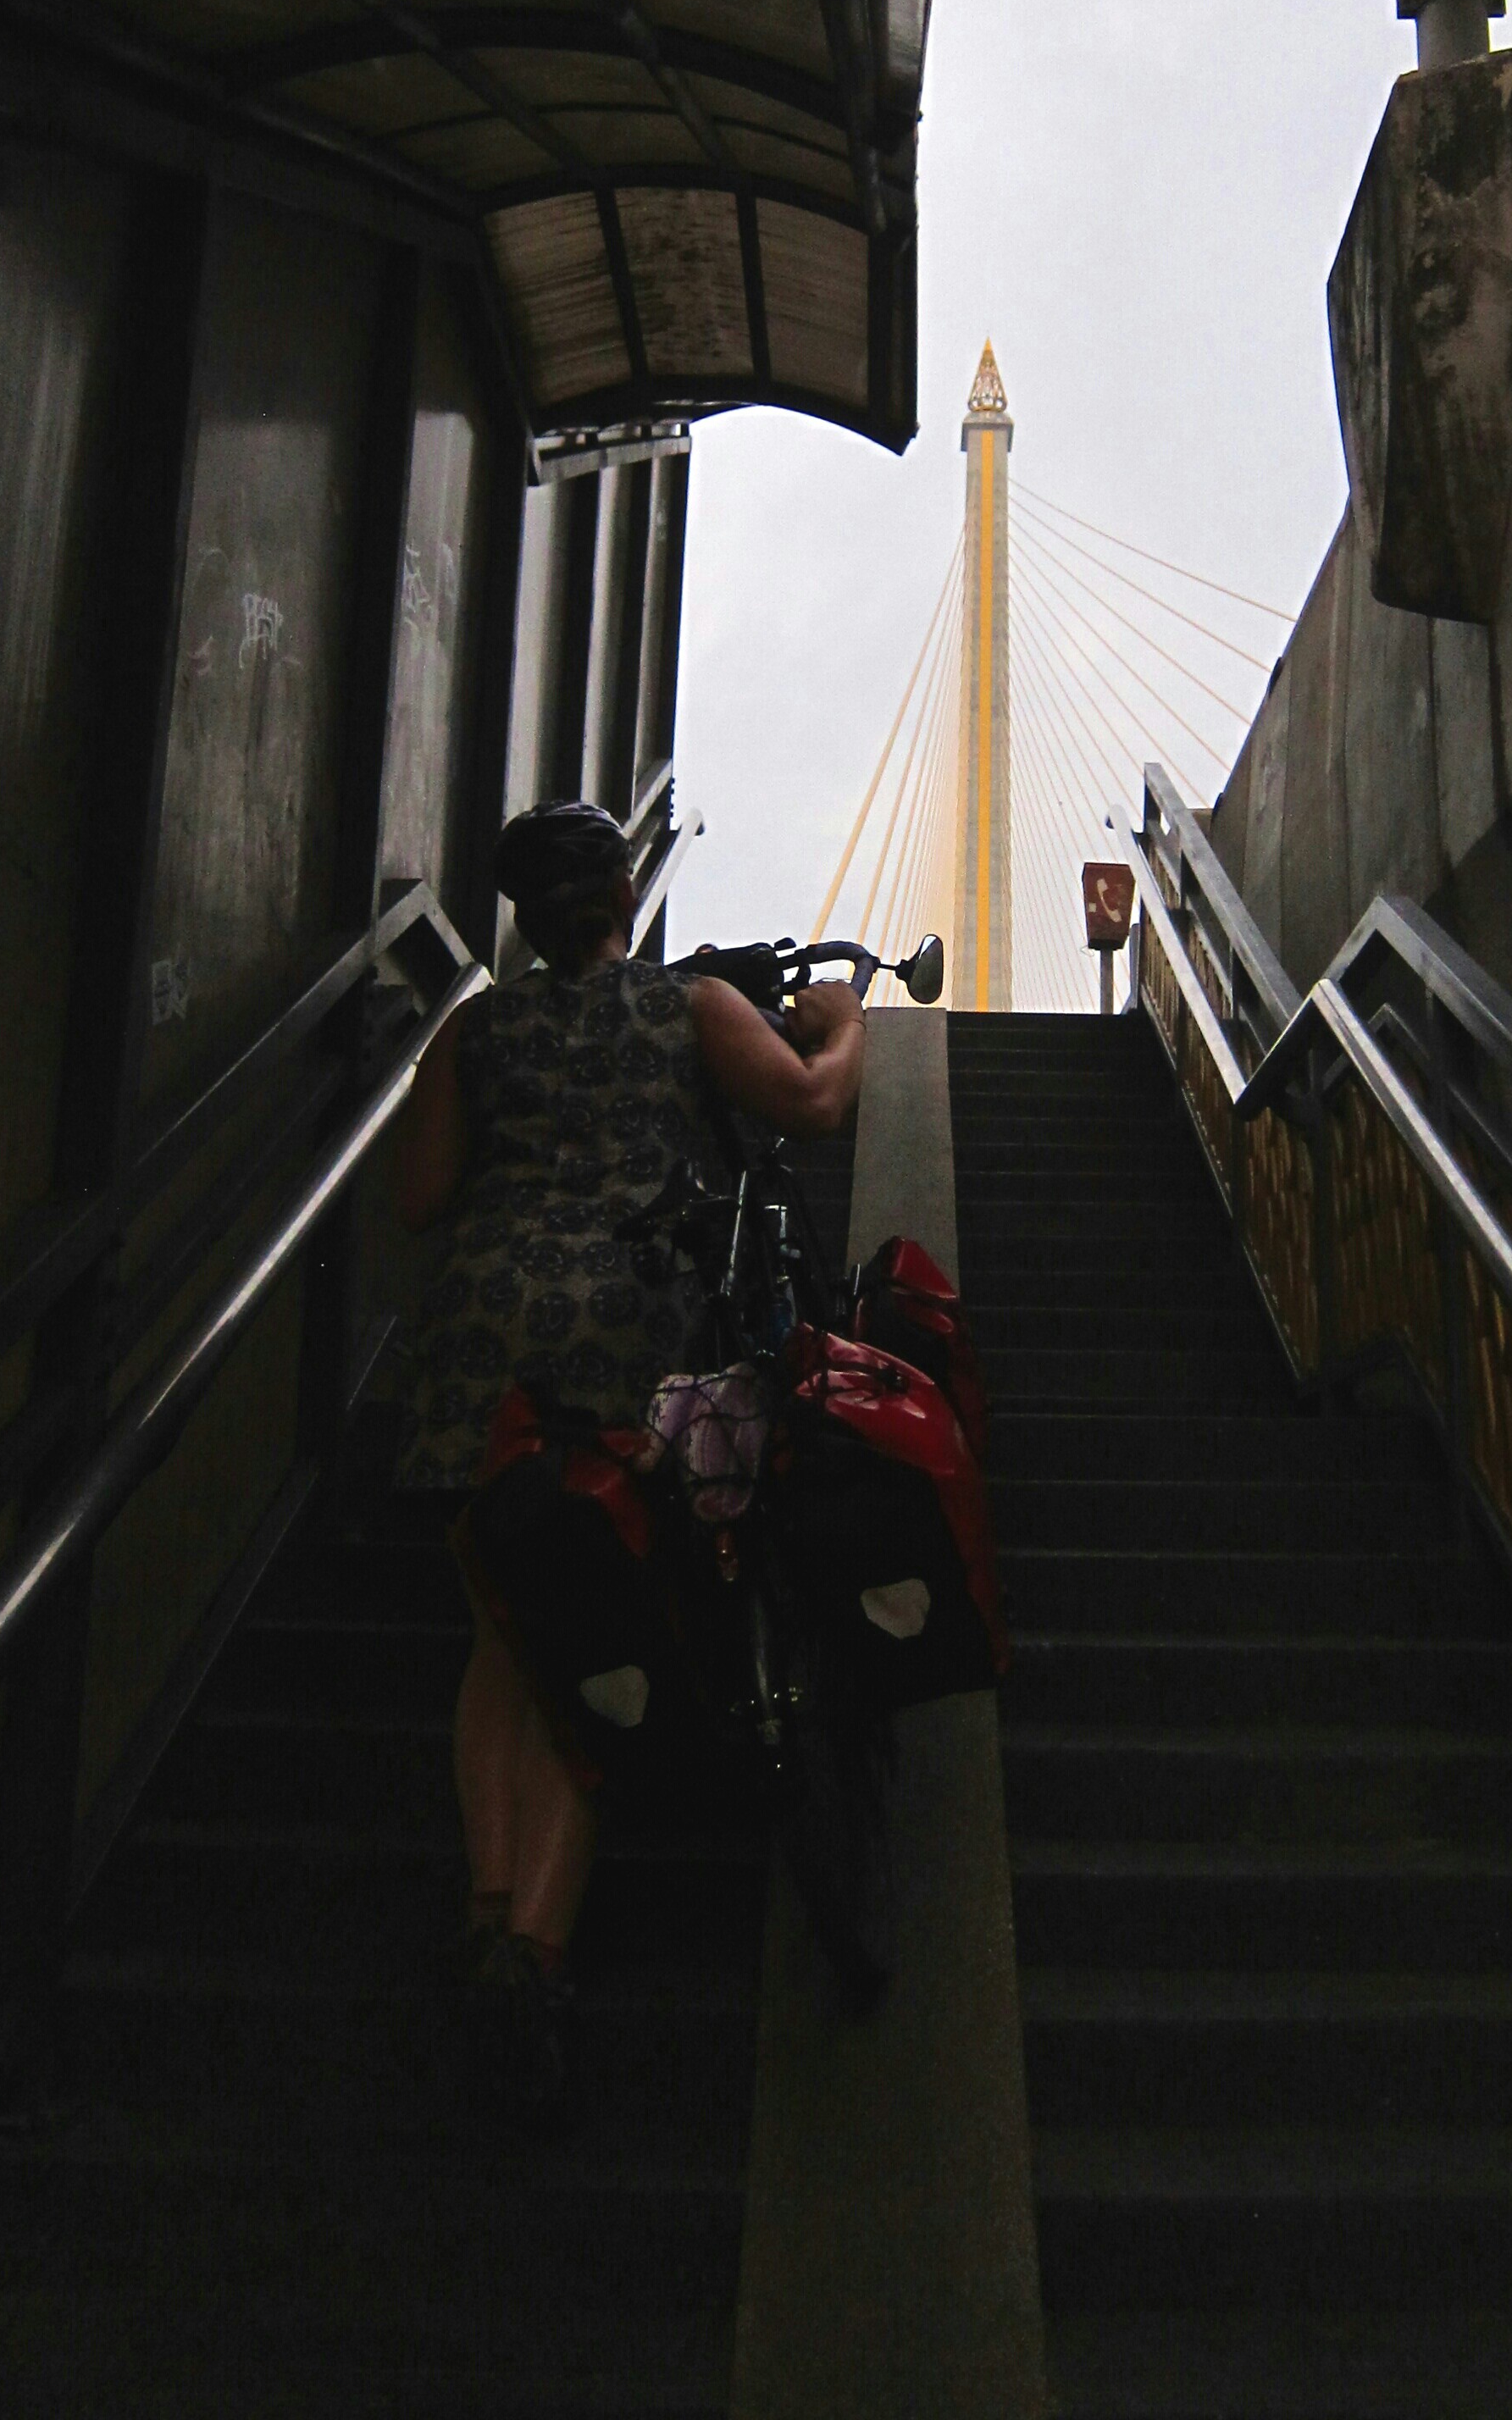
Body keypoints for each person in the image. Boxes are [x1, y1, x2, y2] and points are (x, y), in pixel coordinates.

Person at [389, 801, 863, 2124]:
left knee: (500, 1633)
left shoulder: (474, 1029)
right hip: (618, 1338)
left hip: (478, 1343)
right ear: (623, 895)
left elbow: (420, 1195)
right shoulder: (685, 1004)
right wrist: (843, 1019)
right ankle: (536, 1953)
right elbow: (813, 1104)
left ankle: (490, 1914)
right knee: (583, 1628)